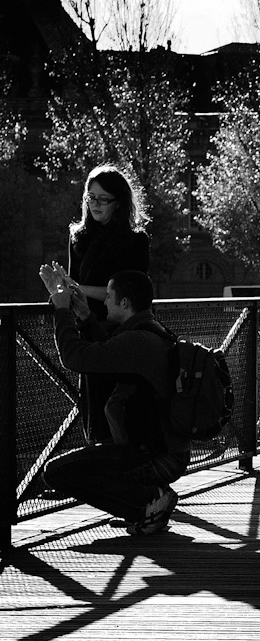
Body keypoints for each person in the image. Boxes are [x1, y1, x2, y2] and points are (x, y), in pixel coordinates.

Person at [37, 266, 187, 534]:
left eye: (109, 296)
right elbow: (110, 351)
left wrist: (62, 310)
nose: (104, 301)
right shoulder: (150, 330)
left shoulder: (136, 341)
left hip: (155, 458)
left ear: (125, 303)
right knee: (85, 460)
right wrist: (85, 316)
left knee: (56, 472)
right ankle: (146, 504)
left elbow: (75, 358)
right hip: (167, 451)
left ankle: (147, 502)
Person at [65, 165, 151, 445]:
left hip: (122, 336)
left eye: (103, 199)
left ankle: (128, 476)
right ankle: (100, 474)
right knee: (92, 412)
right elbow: (72, 283)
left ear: (119, 202)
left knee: (120, 412)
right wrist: (61, 288)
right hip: (87, 330)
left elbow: (127, 295)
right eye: (90, 197)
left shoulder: (135, 241)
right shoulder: (78, 236)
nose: (95, 204)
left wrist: (77, 288)